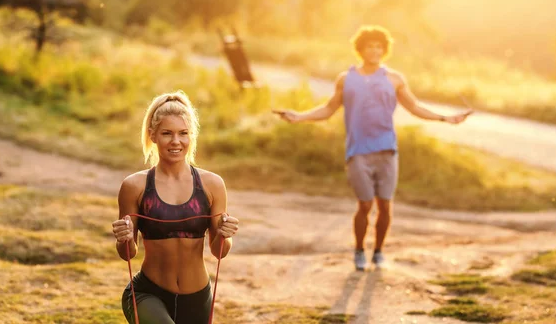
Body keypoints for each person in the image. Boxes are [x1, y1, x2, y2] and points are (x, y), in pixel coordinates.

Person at [274, 25, 472, 271]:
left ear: (385, 50)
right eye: (370, 46)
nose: (375, 51)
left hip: (387, 150)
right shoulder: (346, 79)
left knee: (385, 205)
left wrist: (446, 118)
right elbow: (328, 109)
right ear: (361, 49)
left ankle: (378, 252)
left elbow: (415, 107)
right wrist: (299, 116)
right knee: (365, 205)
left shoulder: (395, 79)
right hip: (358, 151)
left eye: (379, 46)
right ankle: (359, 250)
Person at [112, 90, 239, 323]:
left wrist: (224, 234)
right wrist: (124, 238)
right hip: (148, 294)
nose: (176, 141)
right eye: (167, 133)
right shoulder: (135, 186)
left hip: (198, 297)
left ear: (192, 136)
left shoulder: (212, 185)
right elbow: (127, 253)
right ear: (153, 135)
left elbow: (219, 250)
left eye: (183, 133)